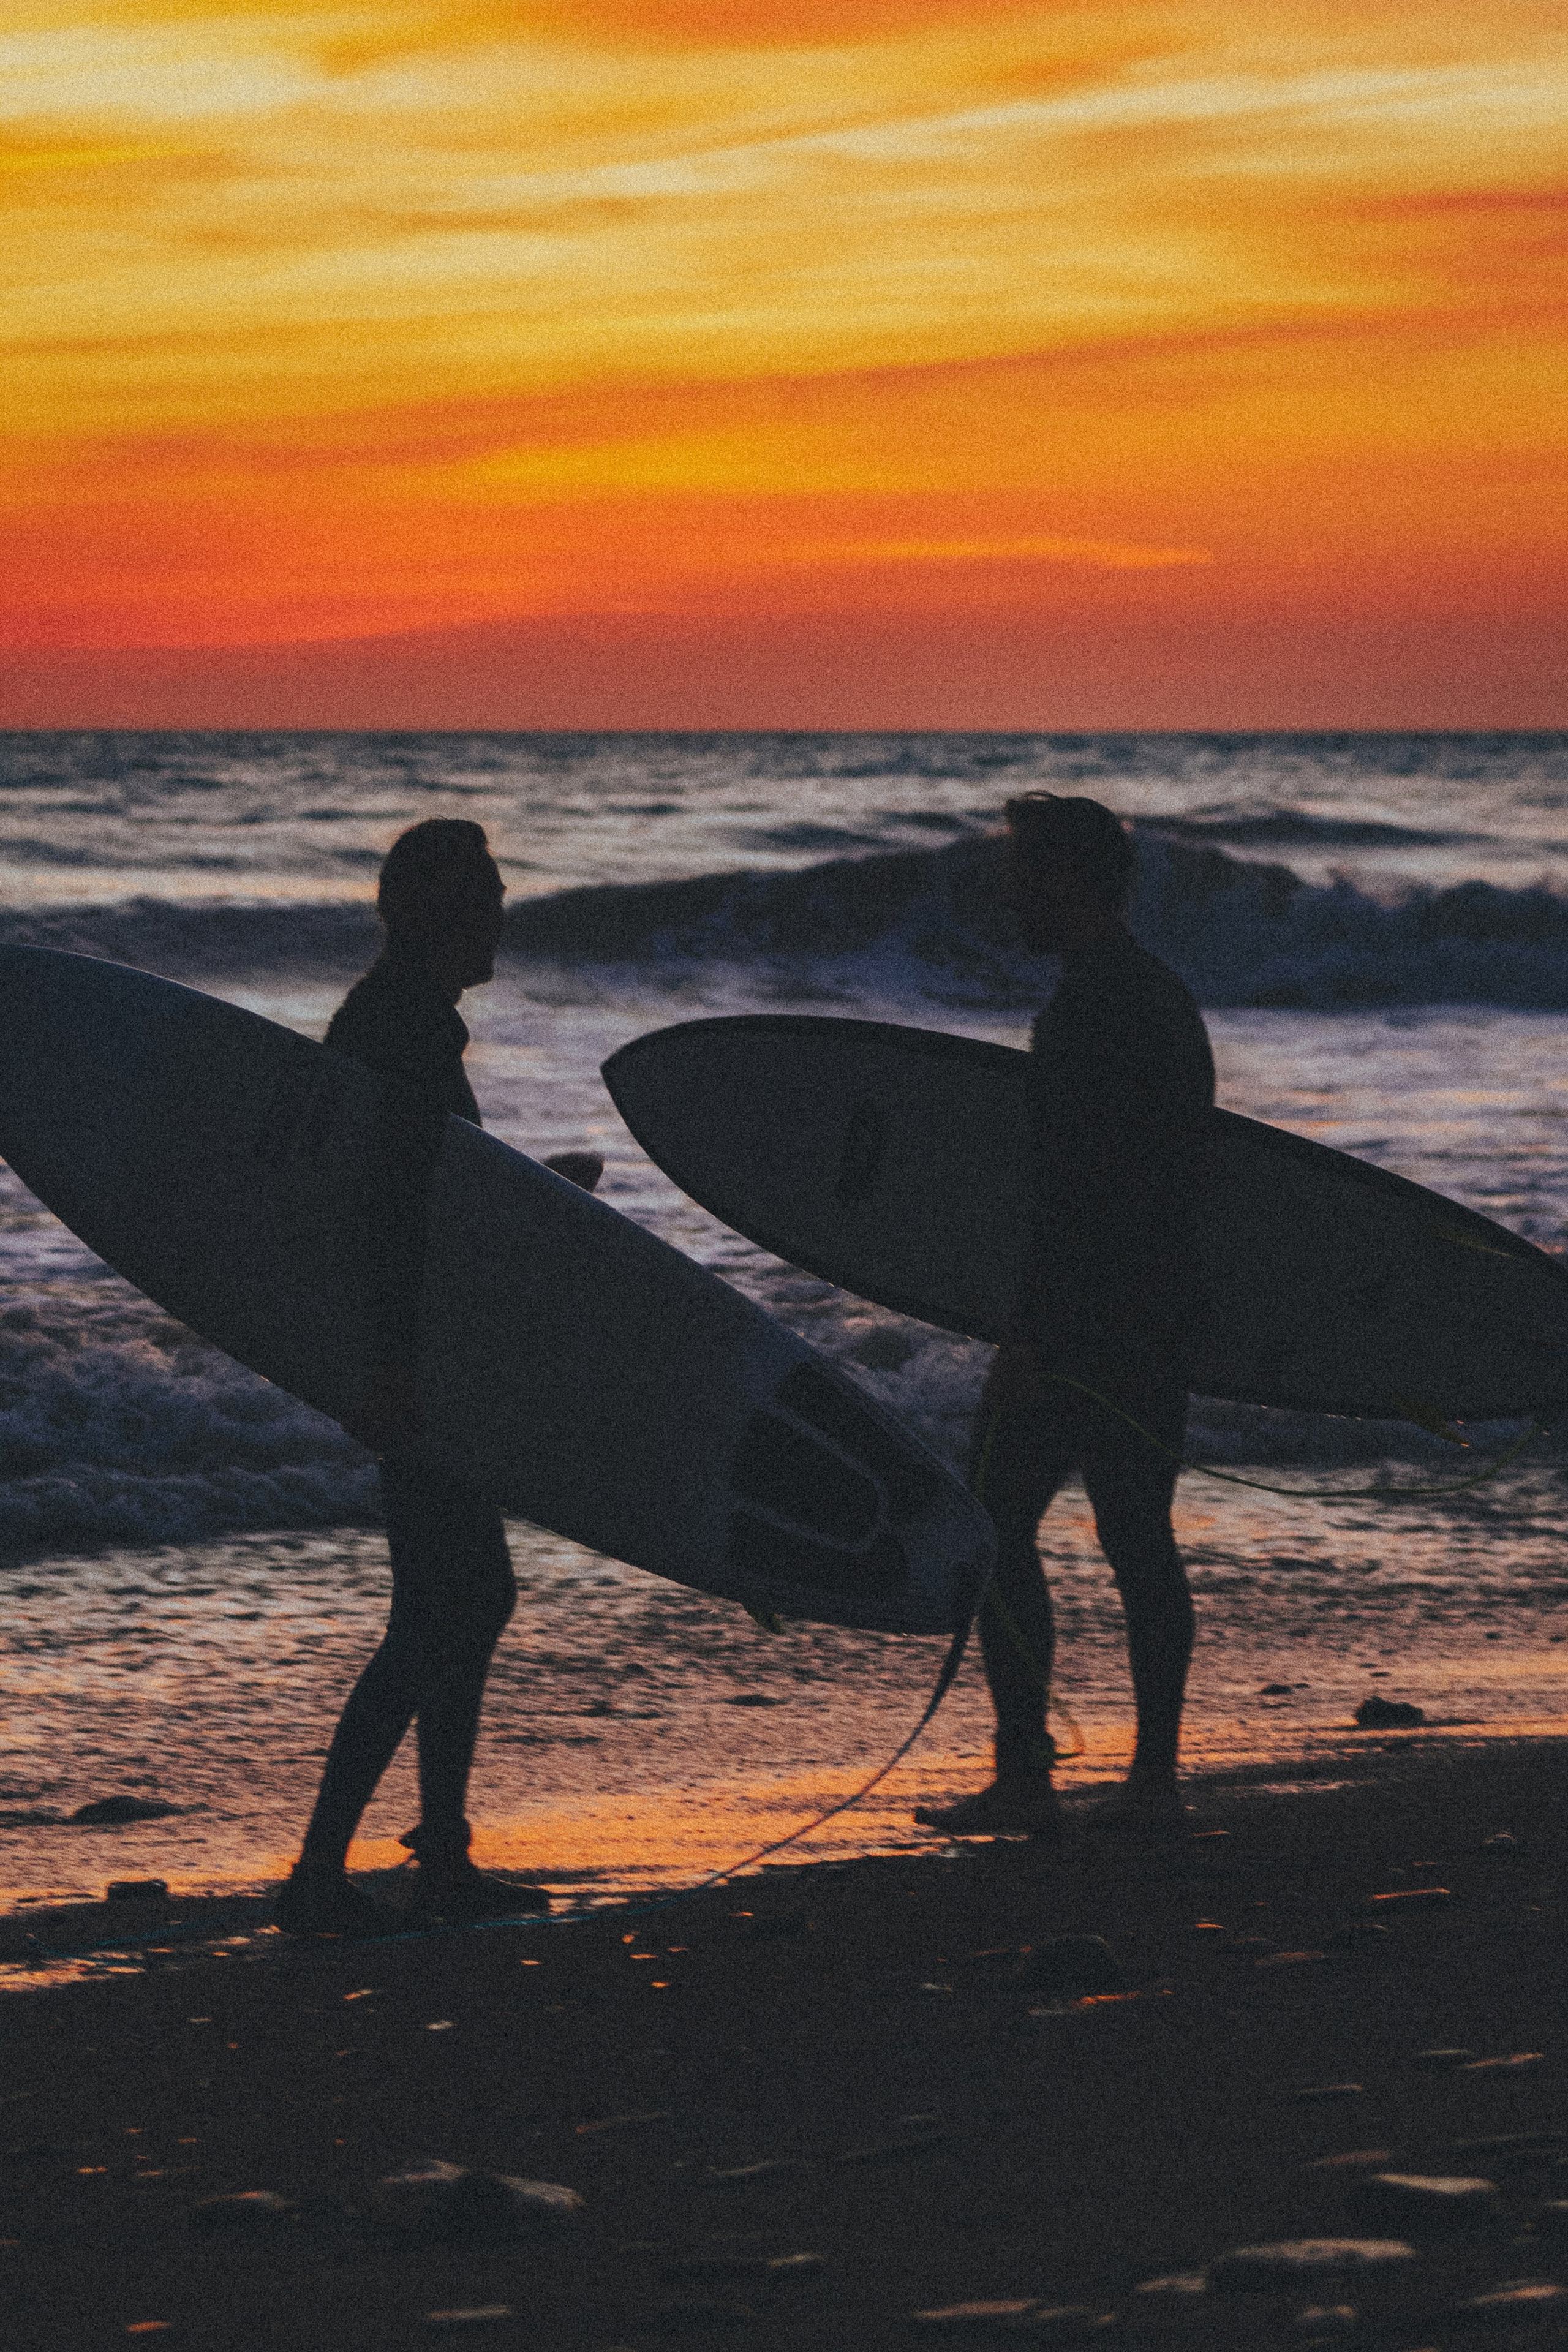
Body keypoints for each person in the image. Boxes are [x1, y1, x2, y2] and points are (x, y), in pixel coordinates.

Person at [276, 818, 598, 1935]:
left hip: (421, 1349)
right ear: (444, 913)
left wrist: (536, 1194)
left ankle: (440, 1858)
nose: (504, 911)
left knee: (464, 1598)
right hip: (415, 1359)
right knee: (441, 1609)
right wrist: (392, 1369)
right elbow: (390, 1214)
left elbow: (423, 1194)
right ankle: (321, 1874)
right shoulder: (405, 1029)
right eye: (490, 893)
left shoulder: (401, 1019)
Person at [915, 794, 1215, 1840]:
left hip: (1088, 1318)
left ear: (1070, 880)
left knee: (995, 1526)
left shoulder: (1093, 1008)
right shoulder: (1158, 994)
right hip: (1155, 1313)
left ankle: (1026, 1778)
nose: (1011, 899)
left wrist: (1033, 1336)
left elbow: (1082, 1193)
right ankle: (1152, 1782)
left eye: (1024, 878)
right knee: (1138, 1537)